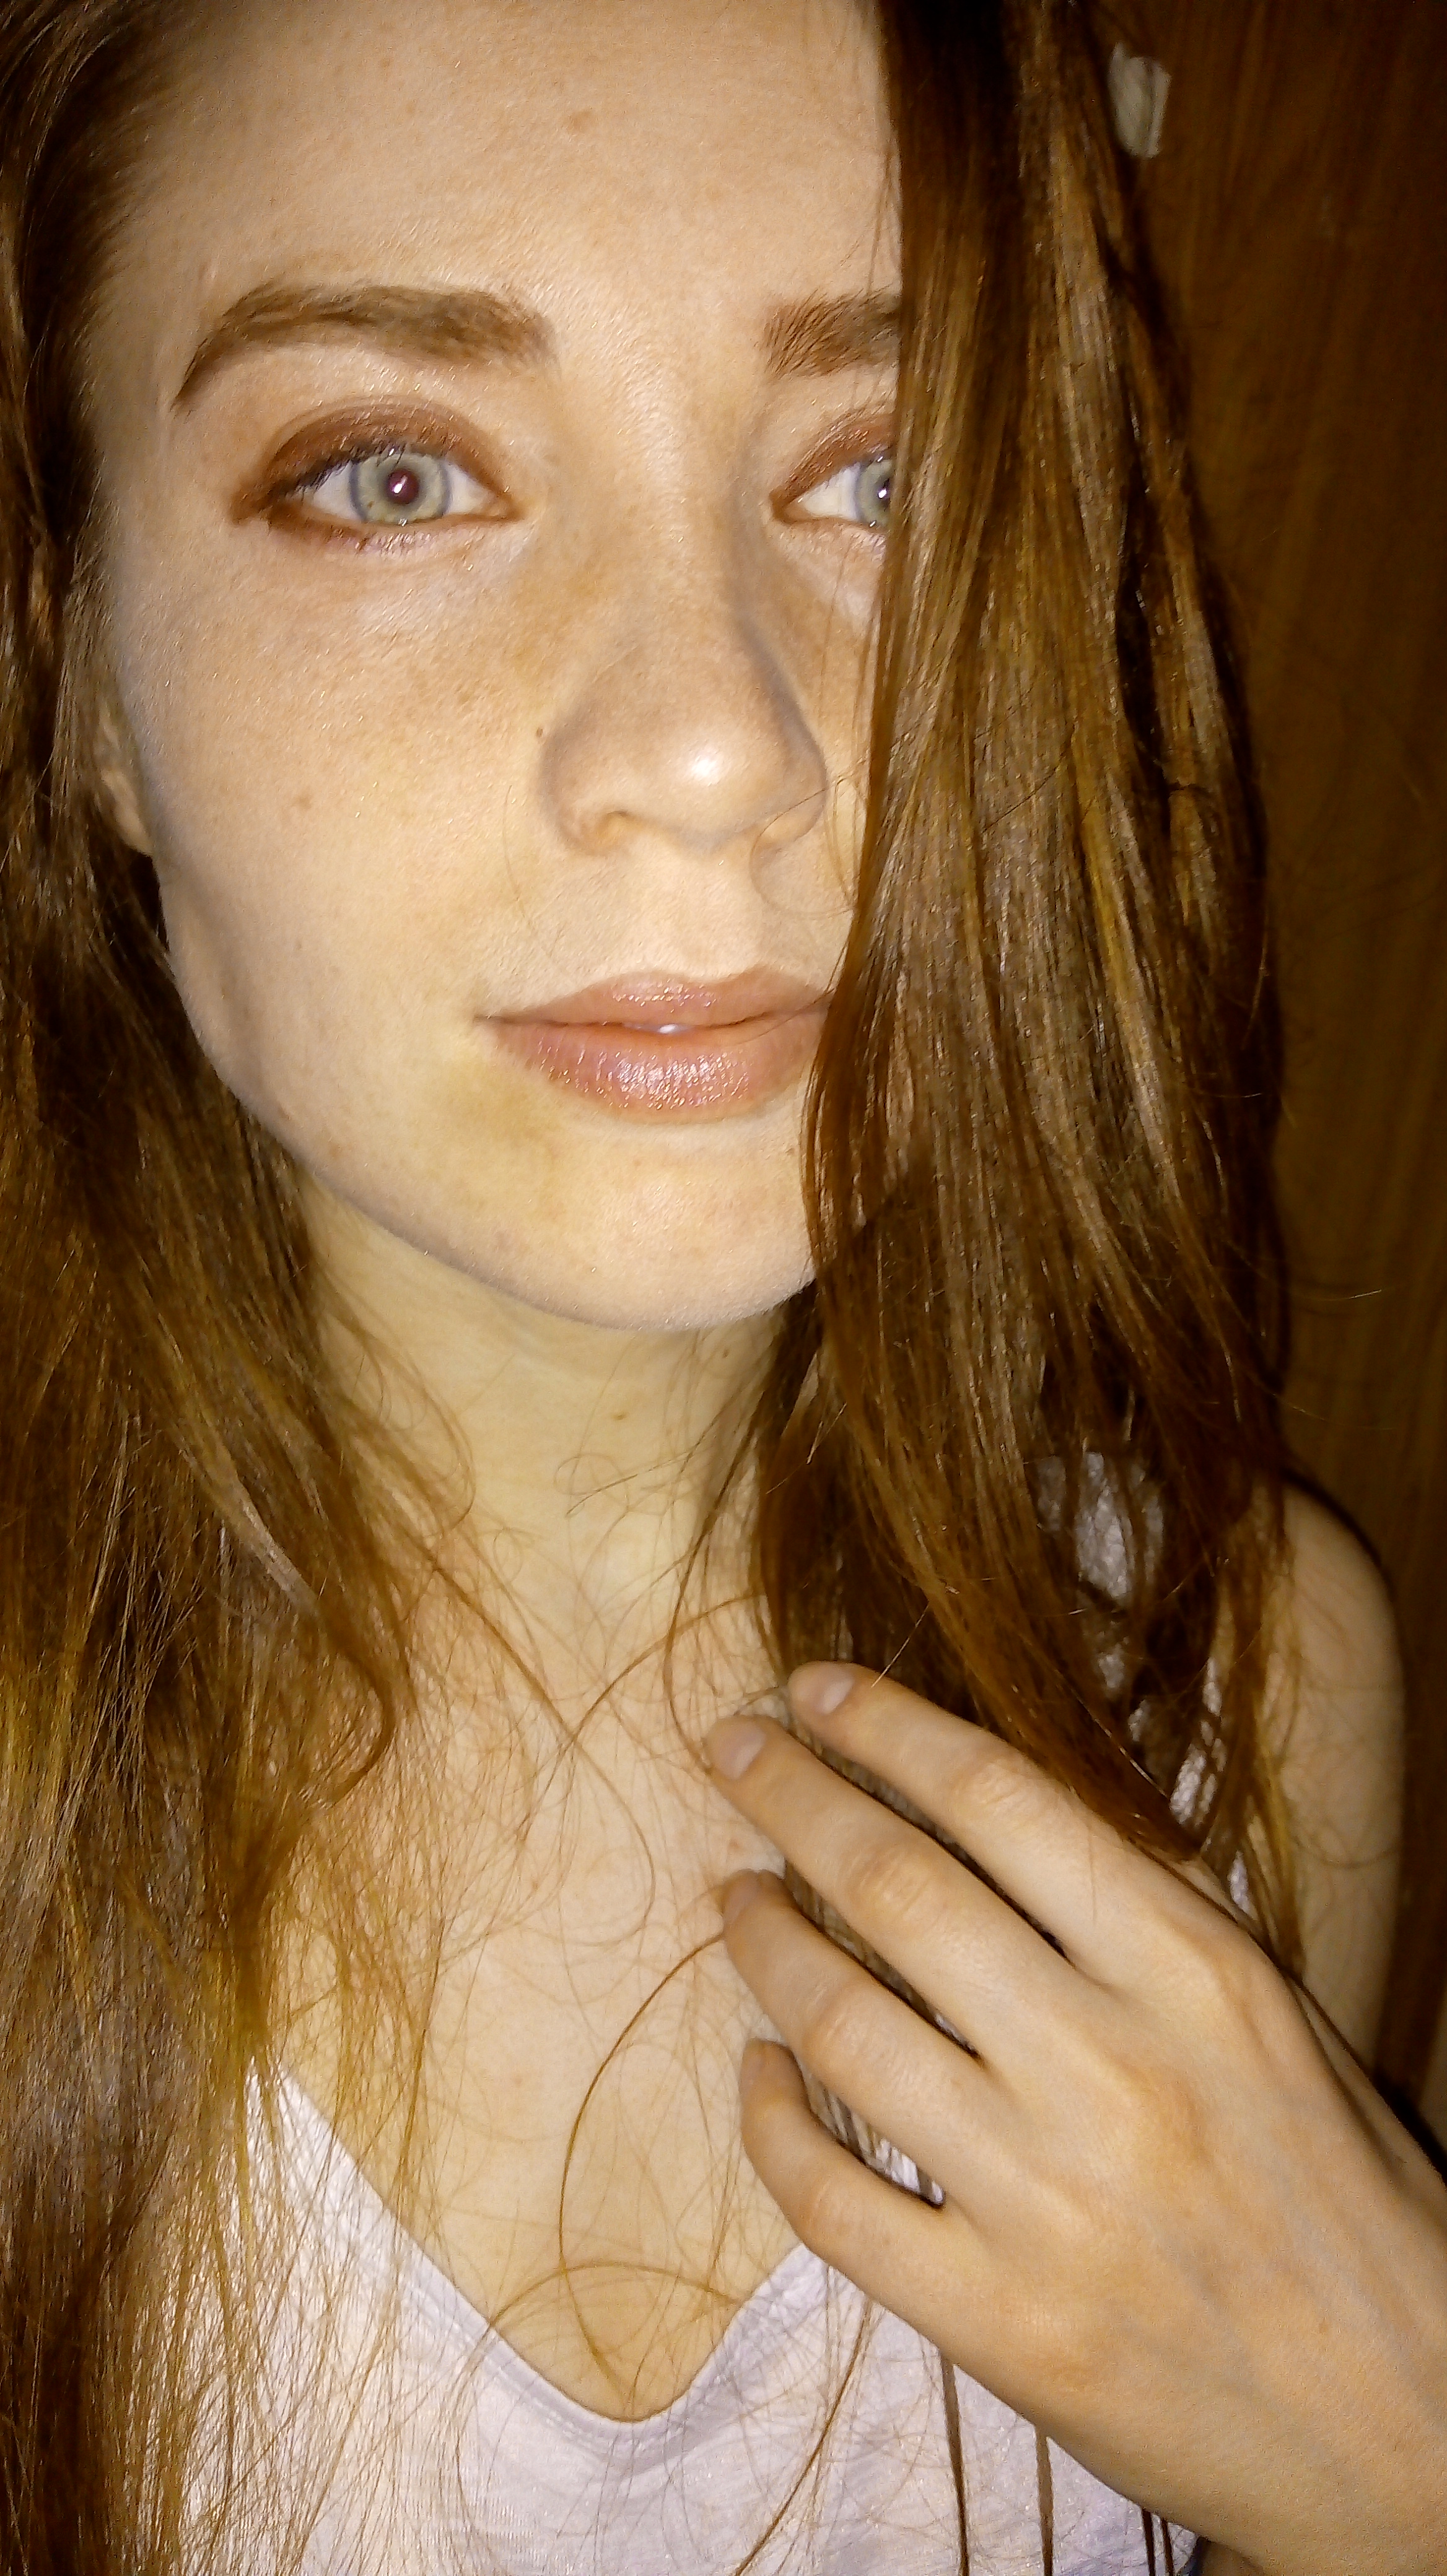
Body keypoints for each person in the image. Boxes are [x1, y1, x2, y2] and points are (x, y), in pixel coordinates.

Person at [0, 0, 1440, 2569]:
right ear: (79, 672)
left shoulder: (1246, 1689)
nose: (712, 743)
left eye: (888, 470)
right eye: (392, 473)